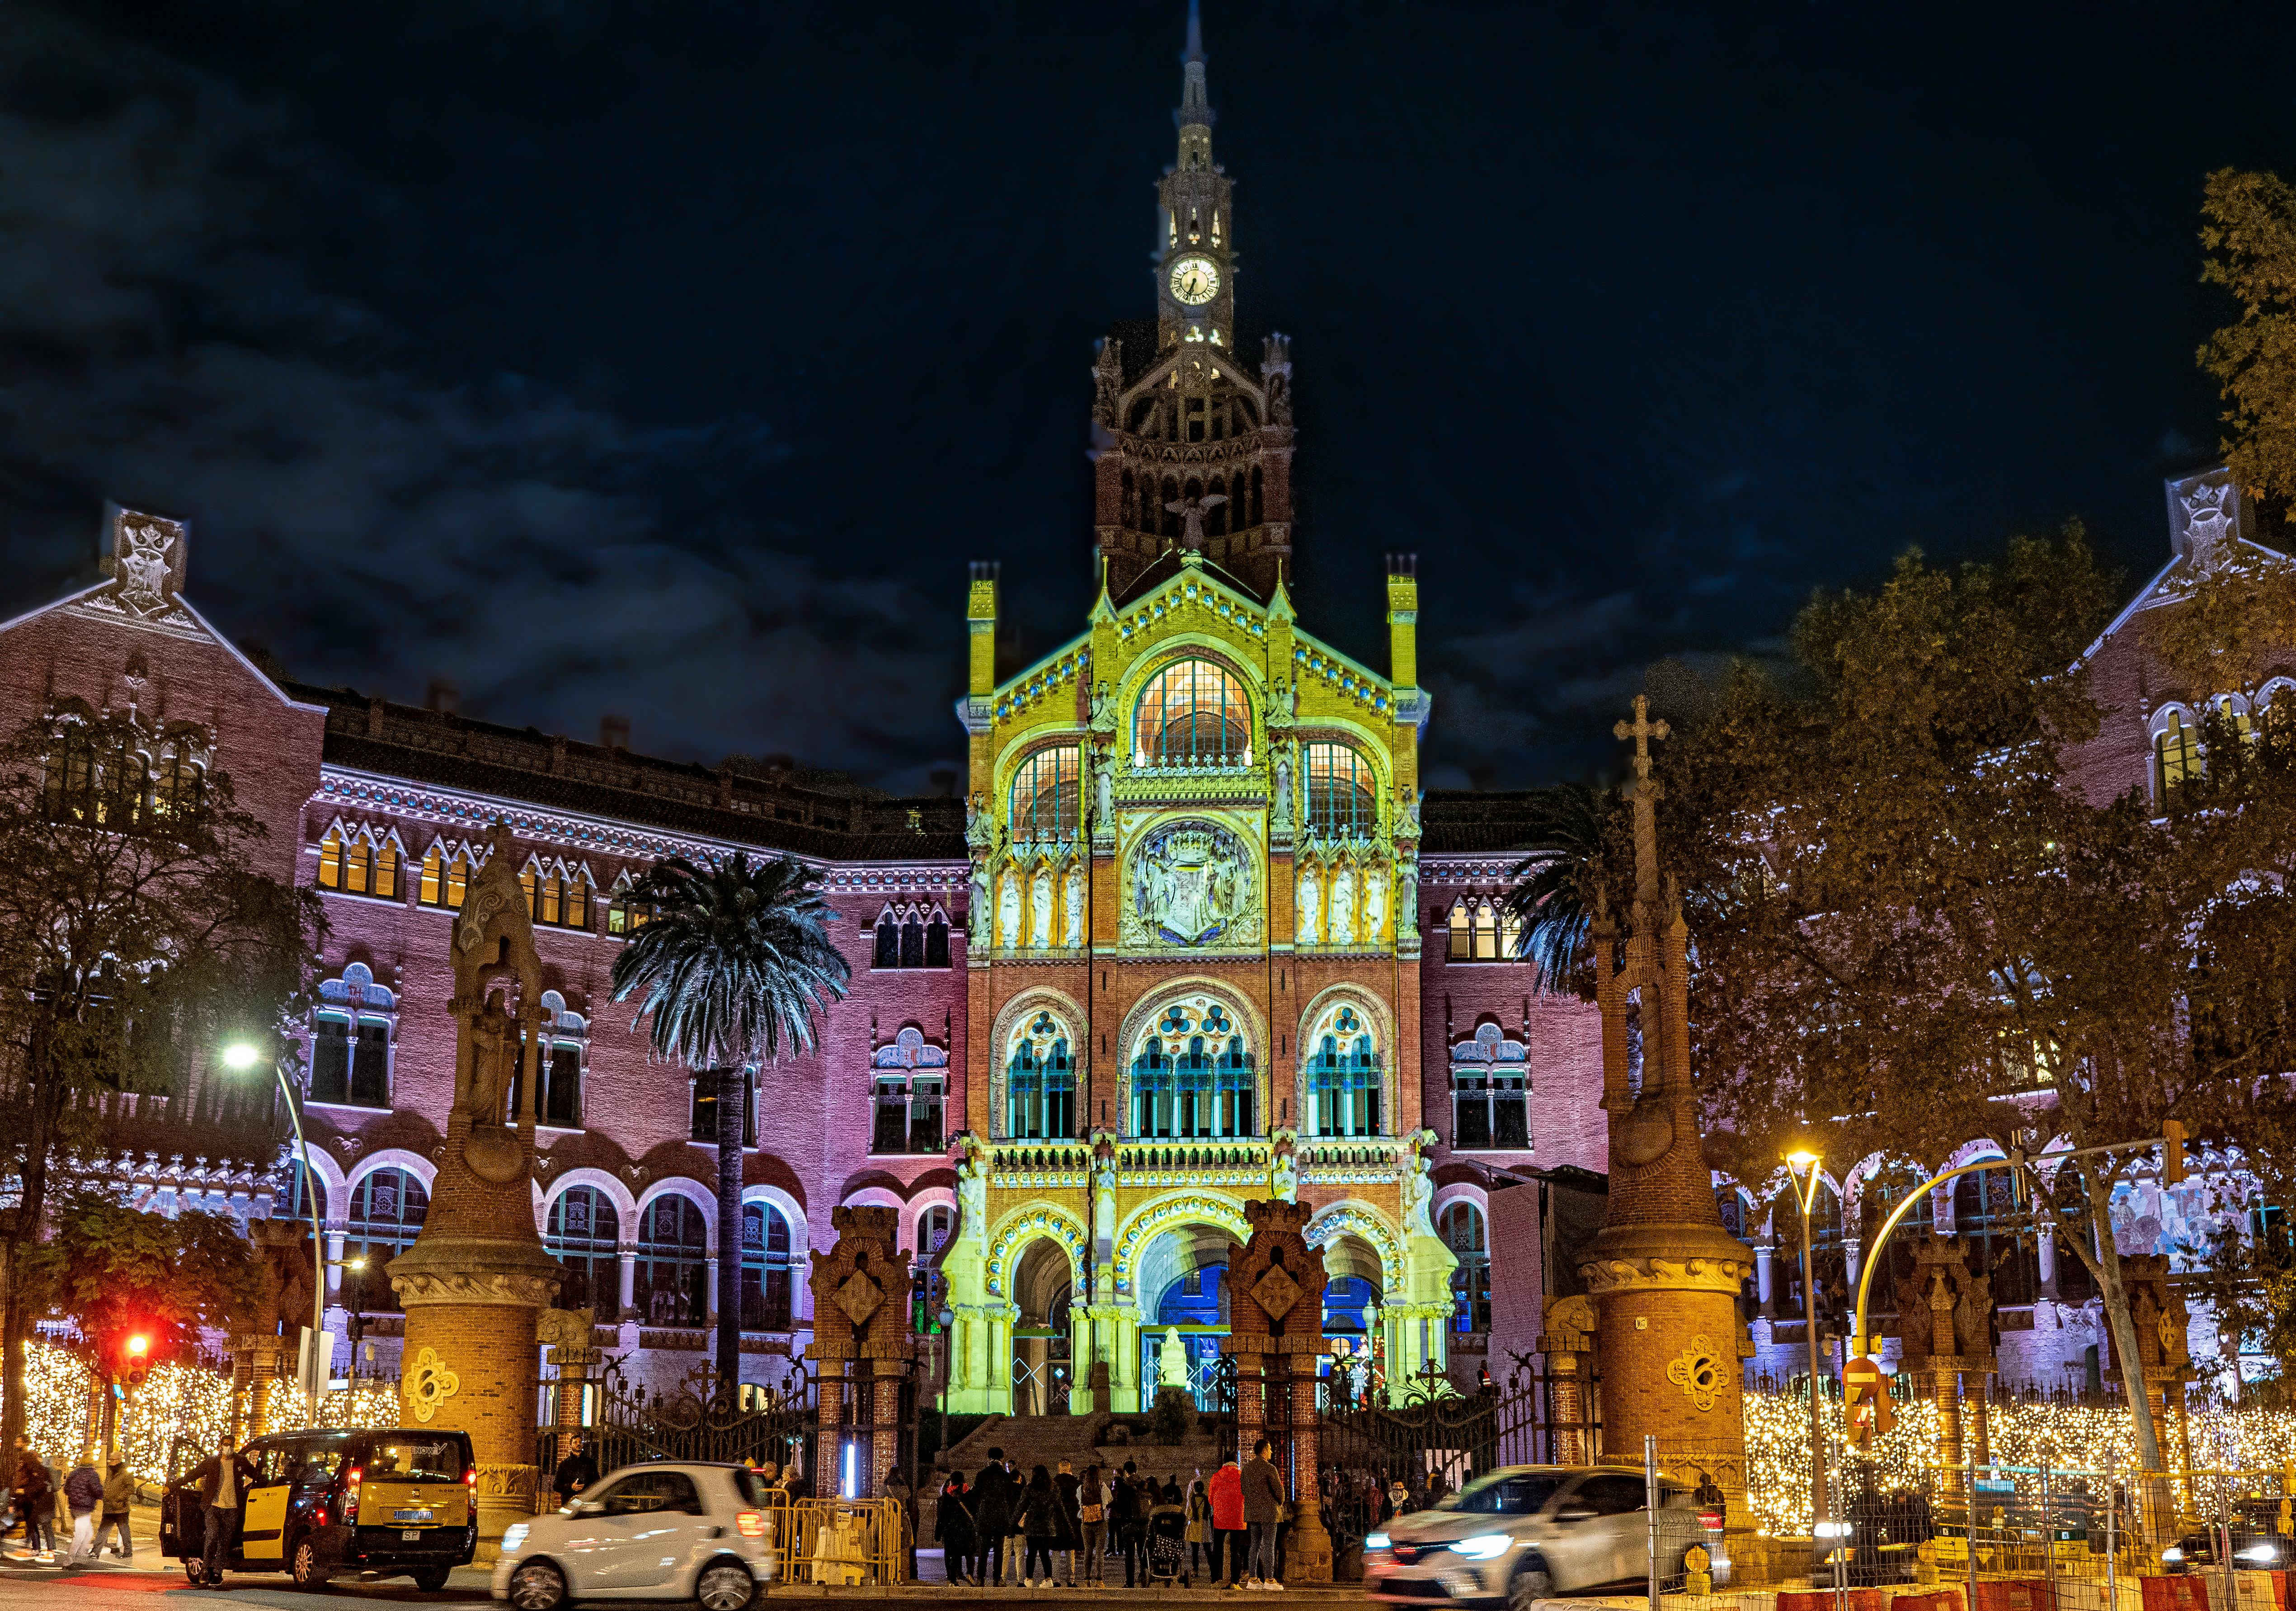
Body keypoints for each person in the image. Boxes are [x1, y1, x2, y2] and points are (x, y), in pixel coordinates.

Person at [191, 1435, 255, 1590]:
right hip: (214, 1506)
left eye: (231, 1444)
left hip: (232, 1508)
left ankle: (218, 1572)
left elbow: (256, 1474)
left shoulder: (240, 1461)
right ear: (221, 1445)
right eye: (225, 1444)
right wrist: (173, 1486)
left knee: (224, 1542)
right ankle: (206, 1569)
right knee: (212, 1536)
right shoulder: (212, 1462)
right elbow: (193, 1474)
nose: (228, 1447)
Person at [1242, 1437, 1284, 1591]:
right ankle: (1270, 1579)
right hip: (1268, 1512)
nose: (1272, 1452)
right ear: (1265, 1451)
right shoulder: (1270, 1468)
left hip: (1253, 1512)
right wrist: (1279, 1502)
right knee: (1269, 1546)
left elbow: (1244, 1491)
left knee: (1254, 1545)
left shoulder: (1246, 1468)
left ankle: (1252, 1579)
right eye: (1270, 1449)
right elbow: (1279, 1492)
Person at [972, 1446, 1014, 1587]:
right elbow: (1010, 1497)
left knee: (983, 1548)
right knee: (999, 1548)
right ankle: (997, 1579)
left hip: (985, 1514)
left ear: (989, 1458)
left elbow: (976, 1495)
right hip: (1001, 1514)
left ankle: (980, 1579)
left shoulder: (982, 1474)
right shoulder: (1006, 1476)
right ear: (1002, 1459)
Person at [1021, 1465, 1066, 1588]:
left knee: (1031, 1554)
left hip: (1032, 1526)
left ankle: (1029, 1579)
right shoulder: (1054, 1489)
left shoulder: (1029, 1489)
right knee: (1045, 1554)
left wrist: (1013, 1523)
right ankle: (1048, 1579)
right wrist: (1067, 1526)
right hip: (1048, 1527)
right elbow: (1060, 1509)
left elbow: (1021, 1507)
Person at [1208, 1451, 1244, 1587]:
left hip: (1220, 1517)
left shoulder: (1216, 1477)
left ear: (1224, 1461)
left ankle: (1215, 1579)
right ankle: (1235, 1581)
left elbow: (1210, 1499)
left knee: (1217, 1549)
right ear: (1236, 1460)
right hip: (1238, 1517)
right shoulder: (1242, 1477)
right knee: (1236, 1550)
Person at [936, 1470, 977, 1586]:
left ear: (952, 1481)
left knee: (954, 1555)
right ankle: (970, 1574)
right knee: (970, 1554)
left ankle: (953, 1580)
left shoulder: (947, 1496)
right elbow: (975, 1511)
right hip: (967, 1529)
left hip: (952, 1530)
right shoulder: (969, 1494)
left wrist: (938, 1533)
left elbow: (942, 1516)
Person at [13, 1445, 55, 1560]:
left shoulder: (41, 1471)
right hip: (38, 1501)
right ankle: (34, 1549)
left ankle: (48, 1551)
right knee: (32, 1523)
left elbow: (41, 1486)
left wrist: (26, 1491)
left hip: (44, 1502)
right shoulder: (35, 1471)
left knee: (44, 1525)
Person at [62, 1452, 102, 1567]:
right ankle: (70, 1560)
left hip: (74, 1507)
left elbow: (66, 1489)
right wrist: (102, 1496)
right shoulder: (92, 1475)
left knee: (89, 1533)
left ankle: (81, 1557)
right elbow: (97, 1491)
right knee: (80, 1534)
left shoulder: (75, 1473)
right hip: (84, 1508)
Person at [1114, 1460, 1151, 1587]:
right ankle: (1145, 1578)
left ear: (1125, 1472)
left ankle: (1130, 1583)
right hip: (1143, 1523)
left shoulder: (1123, 1486)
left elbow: (1120, 1505)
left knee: (1129, 1555)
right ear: (1137, 1471)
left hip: (1129, 1523)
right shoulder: (1144, 1484)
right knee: (1143, 1552)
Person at [1077, 1463, 1109, 1587]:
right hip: (1100, 1522)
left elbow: (1079, 1502)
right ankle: (1099, 1580)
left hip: (1086, 1522)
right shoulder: (1103, 1487)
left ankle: (1087, 1579)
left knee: (1088, 1550)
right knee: (1100, 1551)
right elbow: (1108, 1501)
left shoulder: (1081, 1488)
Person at [884, 1465, 918, 1581]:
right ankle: (903, 1574)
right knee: (903, 1550)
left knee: (887, 1549)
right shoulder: (905, 1489)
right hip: (902, 1524)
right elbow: (910, 1506)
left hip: (887, 1524)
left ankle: (888, 1575)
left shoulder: (884, 1489)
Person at [1055, 1458, 1083, 1587]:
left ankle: (1055, 1579)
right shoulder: (1076, 1483)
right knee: (1070, 1552)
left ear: (1059, 1468)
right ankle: (1071, 1580)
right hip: (1072, 1521)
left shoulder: (1054, 1483)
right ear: (1070, 1469)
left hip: (1057, 1520)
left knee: (1055, 1551)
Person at [99, 1460, 134, 1559]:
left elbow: (130, 1489)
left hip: (120, 1508)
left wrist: (119, 1498)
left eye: (112, 1460)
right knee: (103, 1530)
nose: (110, 1461)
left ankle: (128, 1551)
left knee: (124, 1529)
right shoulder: (110, 1472)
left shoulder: (125, 1473)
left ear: (118, 1460)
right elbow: (107, 1487)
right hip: (109, 1507)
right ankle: (96, 1551)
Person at [552, 1436, 598, 1508]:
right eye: (575, 1442)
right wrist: (571, 1487)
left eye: (580, 1442)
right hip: (569, 1501)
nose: (578, 1444)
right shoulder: (564, 1464)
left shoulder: (590, 1463)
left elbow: (597, 1482)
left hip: (586, 1501)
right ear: (571, 1445)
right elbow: (556, 1485)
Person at [1186, 1476, 1213, 1577]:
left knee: (1195, 1551)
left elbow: (1188, 1514)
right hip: (1205, 1528)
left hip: (1194, 1528)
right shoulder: (1207, 1500)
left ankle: (1195, 1571)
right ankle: (1213, 1569)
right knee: (1208, 1551)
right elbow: (1211, 1514)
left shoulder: (1192, 1500)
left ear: (1195, 1489)